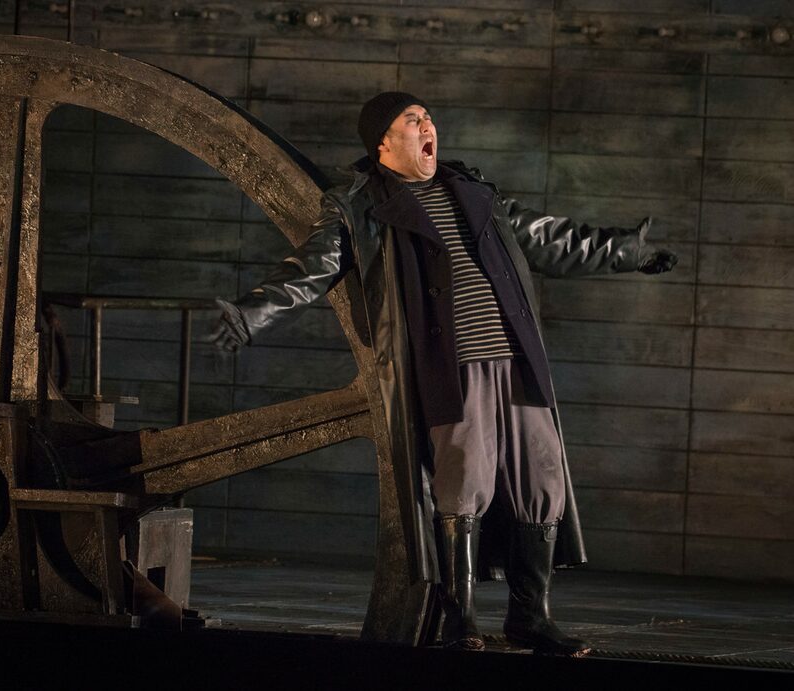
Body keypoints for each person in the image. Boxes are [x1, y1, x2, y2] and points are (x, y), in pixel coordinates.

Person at [210, 92, 677, 654]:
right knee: (464, 485)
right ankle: (460, 621)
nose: (428, 125)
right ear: (384, 142)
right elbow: (312, 269)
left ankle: (531, 616)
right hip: (451, 370)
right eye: (413, 120)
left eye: (429, 117)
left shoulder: (475, 192)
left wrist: (625, 253)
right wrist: (252, 312)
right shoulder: (360, 206)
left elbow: (550, 239)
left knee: (542, 481)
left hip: (516, 361)